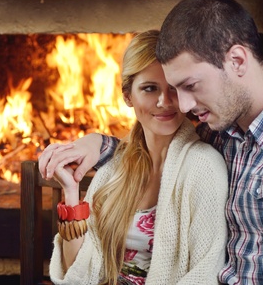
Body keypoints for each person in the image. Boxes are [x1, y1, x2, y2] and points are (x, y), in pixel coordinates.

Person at [39, 0, 263, 285]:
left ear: (237, 60)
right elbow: (158, 155)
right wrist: (96, 144)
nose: (183, 106)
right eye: (176, 90)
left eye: (189, 86)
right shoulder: (222, 129)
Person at [44, 30, 228, 285]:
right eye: (150, 89)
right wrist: (71, 191)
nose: (164, 102)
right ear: (128, 96)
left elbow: (205, 273)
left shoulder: (205, 167)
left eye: (174, 88)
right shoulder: (116, 167)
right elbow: (78, 271)